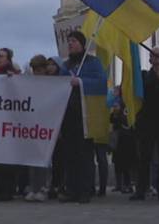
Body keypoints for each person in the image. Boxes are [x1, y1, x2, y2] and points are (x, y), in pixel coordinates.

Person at [59, 30, 106, 204]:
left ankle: (86, 190)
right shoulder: (66, 65)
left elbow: (101, 82)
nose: (70, 44)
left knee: (84, 154)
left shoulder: (93, 62)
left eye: (73, 41)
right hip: (68, 114)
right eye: (69, 41)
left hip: (85, 114)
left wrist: (81, 82)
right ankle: (72, 189)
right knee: (69, 153)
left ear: (82, 44)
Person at [131, 47, 159, 201]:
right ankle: (141, 189)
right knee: (144, 156)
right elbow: (142, 92)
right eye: (153, 55)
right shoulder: (145, 75)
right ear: (150, 59)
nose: (156, 58)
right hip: (148, 120)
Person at [25, 54, 54, 202]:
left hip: (47, 125)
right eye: (34, 69)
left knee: (45, 159)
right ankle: (33, 187)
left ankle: (44, 187)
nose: (37, 72)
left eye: (39, 69)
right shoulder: (30, 83)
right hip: (33, 125)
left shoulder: (53, 84)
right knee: (32, 158)